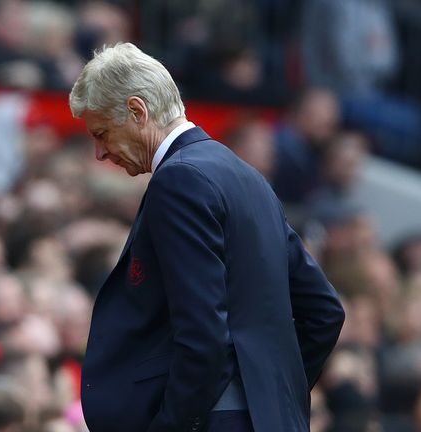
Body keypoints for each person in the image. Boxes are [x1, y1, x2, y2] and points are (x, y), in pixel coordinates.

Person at [68, 42, 345, 431]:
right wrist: (271, 397)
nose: (100, 153)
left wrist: (173, 424)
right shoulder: (248, 176)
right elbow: (323, 311)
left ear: (137, 111)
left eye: (102, 133)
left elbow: (202, 334)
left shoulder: (179, 180)